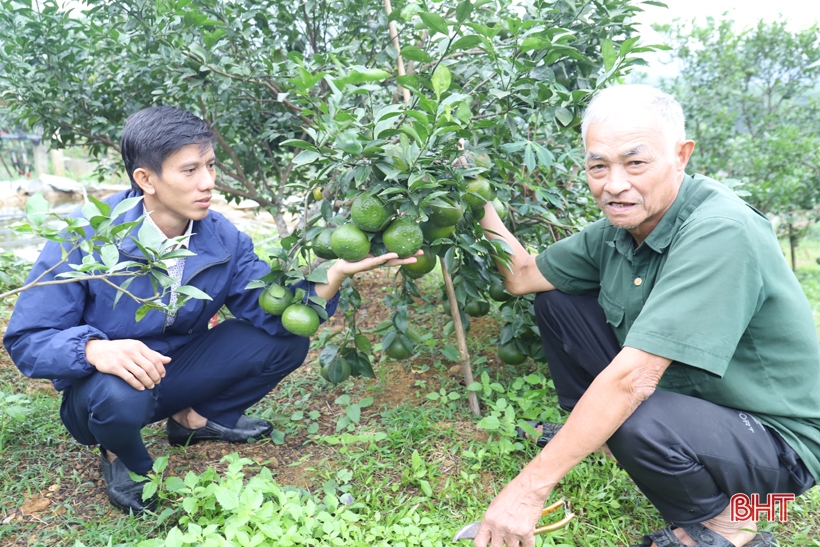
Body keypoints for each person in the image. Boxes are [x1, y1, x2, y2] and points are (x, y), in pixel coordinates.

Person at [3, 106, 417, 514]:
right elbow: (27, 339)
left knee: (286, 339)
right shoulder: (87, 235)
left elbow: (270, 307)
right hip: (105, 390)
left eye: (211, 165)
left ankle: (192, 420)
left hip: (176, 368)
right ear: (146, 179)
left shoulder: (220, 237)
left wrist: (336, 273)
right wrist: (95, 349)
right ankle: (119, 454)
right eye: (189, 170)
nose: (208, 182)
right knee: (117, 394)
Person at [474, 85, 819, 547]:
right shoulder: (620, 229)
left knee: (637, 411)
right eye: (599, 166)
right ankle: (601, 435)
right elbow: (521, 275)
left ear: (681, 156)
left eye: (635, 163)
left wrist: (528, 490)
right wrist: (477, 199)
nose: (614, 184)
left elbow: (633, 381)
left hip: (781, 442)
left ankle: (733, 521)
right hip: (698, 404)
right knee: (557, 301)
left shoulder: (720, 231)